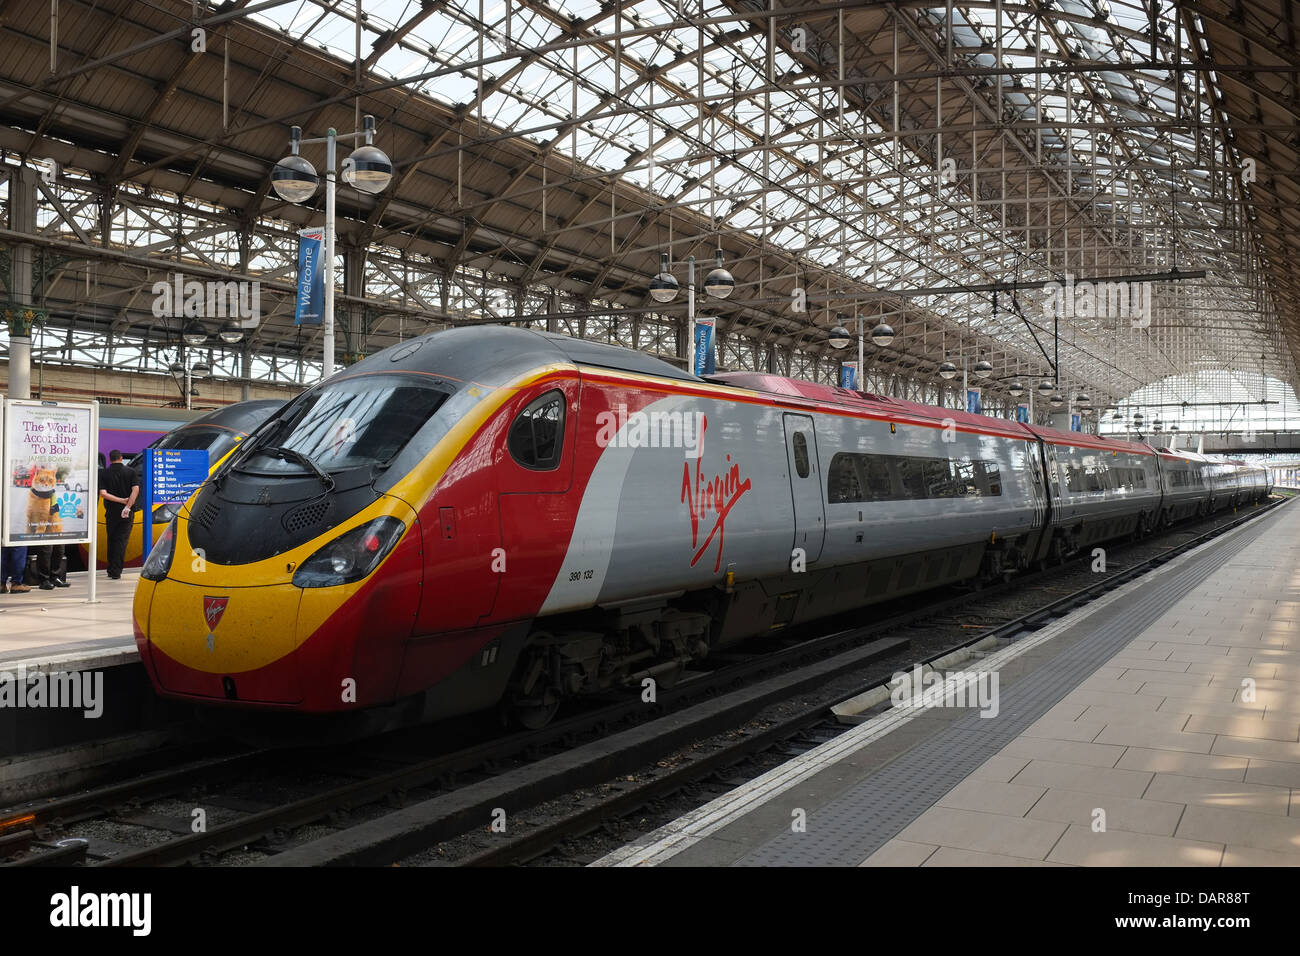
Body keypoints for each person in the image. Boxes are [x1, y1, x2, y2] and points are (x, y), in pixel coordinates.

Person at [99, 449, 140, 580]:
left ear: (110, 459)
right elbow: (135, 490)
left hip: (111, 512)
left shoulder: (104, 473)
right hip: (126, 513)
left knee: (111, 539)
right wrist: (127, 506)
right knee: (121, 541)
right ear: (121, 458)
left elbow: (103, 494)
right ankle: (116, 571)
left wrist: (119, 500)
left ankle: (111, 569)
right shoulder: (131, 472)